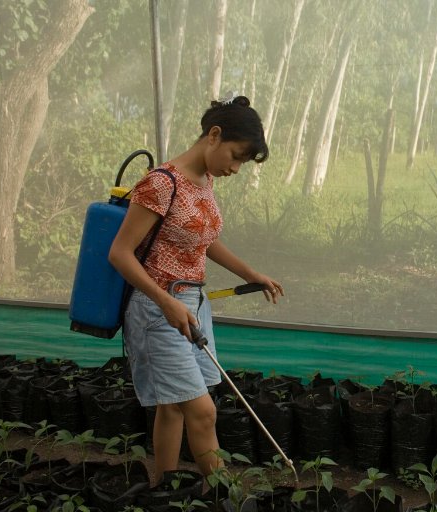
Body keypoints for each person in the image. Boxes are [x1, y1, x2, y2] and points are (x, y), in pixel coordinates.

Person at [108, 95, 283, 478]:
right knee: (203, 411)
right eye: (236, 156)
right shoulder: (160, 184)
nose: (236, 168)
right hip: (159, 309)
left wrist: (249, 273)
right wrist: (165, 302)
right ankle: (223, 494)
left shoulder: (204, 181)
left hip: (193, 302)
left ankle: (163, 488)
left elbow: (203, 238)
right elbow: (120, 254)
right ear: (214, 136)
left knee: (173, 406)